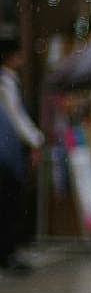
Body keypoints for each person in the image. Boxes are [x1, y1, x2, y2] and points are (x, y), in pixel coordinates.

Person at [0, 26, 40, 272]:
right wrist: (36, 139)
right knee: (9, 202)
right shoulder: (6, 82)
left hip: (7, 150)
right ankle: (8, 252)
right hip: (6, 152)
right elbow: (17, 117)